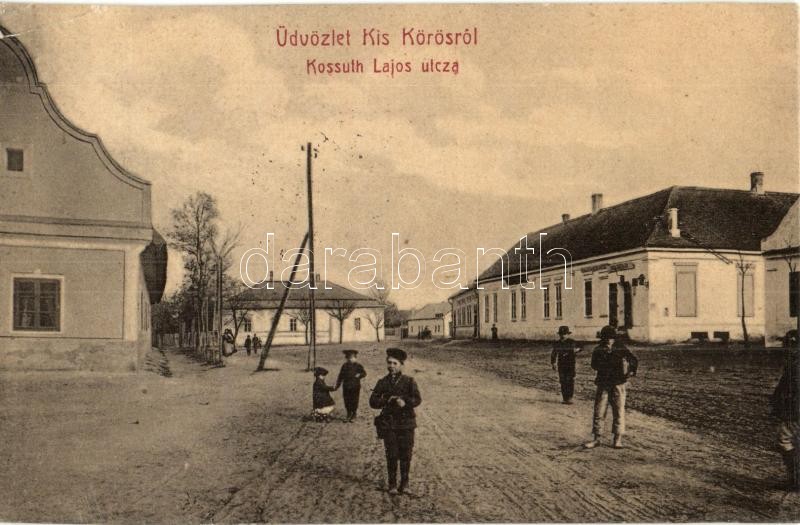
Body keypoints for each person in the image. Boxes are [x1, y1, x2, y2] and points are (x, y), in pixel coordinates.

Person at [370, 348, 422, 495]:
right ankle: (392, 484)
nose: (391, 366)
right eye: (389, 363)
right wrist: (386, 400)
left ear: (401, 365)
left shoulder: (409, 381)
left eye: (395, 363)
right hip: (389, 424)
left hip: (406, 424)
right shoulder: (382, 382)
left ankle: (405, 484)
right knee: (392, 454)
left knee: (406, 455)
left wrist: (405, 402)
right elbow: (373, 401)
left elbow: (417, 399)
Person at [584, 325, 638, 449]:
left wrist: (630, 371)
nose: (609, 340)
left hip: (618, 384)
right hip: (603, 383)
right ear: (603, 338)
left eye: (612, 338)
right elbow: (594, 365)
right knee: (599, 411)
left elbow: (633, 359)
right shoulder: (598, 349)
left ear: (615, 338)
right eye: (607, 338)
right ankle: (597, 439)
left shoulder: (620, 348)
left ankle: (617, 439)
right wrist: (606, 366)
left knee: (618, 411)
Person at [770, 346, 799, 491]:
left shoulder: (794, 367)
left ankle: (796, 481)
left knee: (784, 440)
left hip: (795, 413)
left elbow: (781, 391)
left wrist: (777, 409)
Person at [551, 325, 582, 404]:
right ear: (559, 335)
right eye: (561, 334)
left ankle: (570, 398)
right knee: (562, 381)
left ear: (568, 334)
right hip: (561, 364)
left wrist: (577, 350)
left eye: (564, 334)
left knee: (570, 380)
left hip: (570, 364)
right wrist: (553, 363)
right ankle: (565, 398)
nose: (563, 336)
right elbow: (554, 353)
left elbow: (581, 347)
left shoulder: (572, 342)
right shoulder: (557, 343)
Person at [336, 349, 367, 422]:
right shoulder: (344, 366)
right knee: (347, 400)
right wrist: (337, 385)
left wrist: (359, 375)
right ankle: (348, 414)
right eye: (348, 358)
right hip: (346, 386)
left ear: (355, 358)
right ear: (346, 358)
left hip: (355, 386)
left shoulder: (358, 366)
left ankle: (354, 414)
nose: (350, 359)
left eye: (352, 358)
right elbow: (340, 376)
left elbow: (364, 373)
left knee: (354, 400)